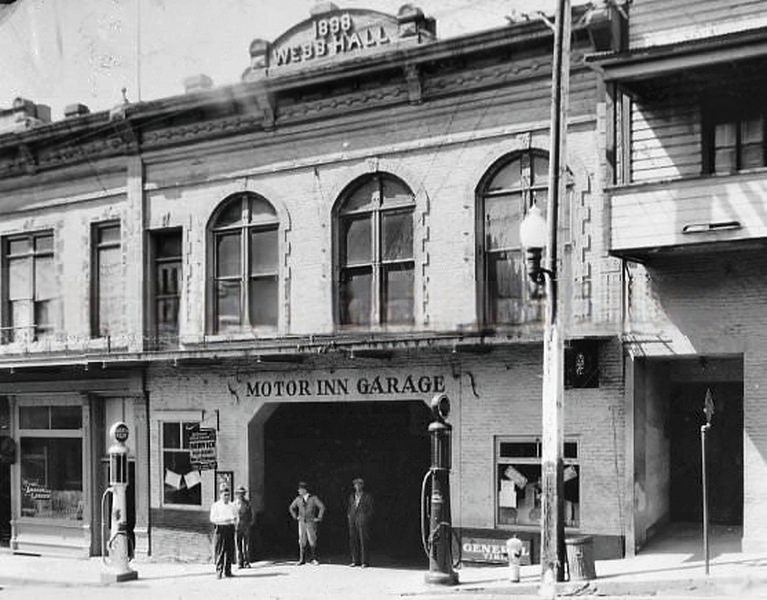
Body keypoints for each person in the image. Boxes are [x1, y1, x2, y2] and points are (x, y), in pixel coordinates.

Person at [288, 481, 325, 565]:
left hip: (310, 521)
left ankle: (314, 558)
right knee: (301, 539)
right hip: (301, 522)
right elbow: (291, 507)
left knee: (312, 539)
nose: (299, 491)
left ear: (304, 490)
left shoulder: (313, 498)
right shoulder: (298, 499)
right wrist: (295, 516)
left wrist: (319, 517)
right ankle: (302, 559)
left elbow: (322, 507)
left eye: (300, 490)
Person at [210, 484, 237, 579]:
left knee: (230, 550)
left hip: (230, 528)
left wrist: (233, 520)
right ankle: (219, 571)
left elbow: (236, 517)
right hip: (220, 529)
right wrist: (225, 519)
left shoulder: (232, 506)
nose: (226, 497)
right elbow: (213, 519)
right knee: (220, 551)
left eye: (228, 495)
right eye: (224, 495)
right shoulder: (216, 506)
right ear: (220, 495)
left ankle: (228, 571)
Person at [347, 477, 374, 567]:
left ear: (362, 486)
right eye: (355, 485)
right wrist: (349, 516)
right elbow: (350, 507)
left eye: (359, 485)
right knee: (353, 540)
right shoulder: (352, 496)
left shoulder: (367, 496)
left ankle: (364, 561)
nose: (357, 487)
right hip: (353, 520)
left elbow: (370, 509)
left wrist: (366, 518)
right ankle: (355, 560)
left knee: (363, 541)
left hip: (362, 520)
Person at [233, 486, 253, 568]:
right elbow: (232, 515)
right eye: (239, 493)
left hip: (246, 526)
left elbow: (251, 514)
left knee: (246, 545)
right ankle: (239, 562)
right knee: (238, 545)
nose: (241, 495)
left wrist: (250, 522)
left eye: (242, 493)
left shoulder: (247, 503)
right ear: (236, 494)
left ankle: (246, 562)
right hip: (237, 526)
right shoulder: (233, 504)